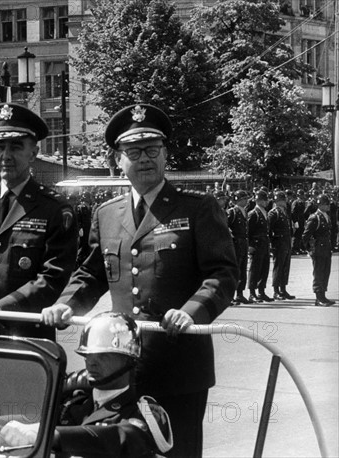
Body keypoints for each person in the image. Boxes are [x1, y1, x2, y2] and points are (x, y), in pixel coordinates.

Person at [41, 104, 238, 458]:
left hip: (179, 366)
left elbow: (222, 274)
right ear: (118, 159)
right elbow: (91, 273)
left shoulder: (197, 208)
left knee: (176, 452)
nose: (144, 158)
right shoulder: (107, 213)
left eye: (152, 150)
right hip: (123, 366)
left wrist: (192, 312)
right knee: (123, 449)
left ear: (165, 155)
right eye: (133, 151)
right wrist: (65, 305)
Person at [0, 312, 173, 458]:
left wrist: (54, 436)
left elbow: (119, 438)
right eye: (87, 355)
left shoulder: (145, 411)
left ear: (128, 359)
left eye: (102, 355)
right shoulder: (75, 400)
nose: (91, 362)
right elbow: (36, 422)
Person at [0, 103, 78, 340]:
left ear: (33, 153)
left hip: (26, 335)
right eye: (0, 147)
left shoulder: (54, 209)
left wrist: (4, 306)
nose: (6, 156)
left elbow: (54, 276)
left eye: (16, 147)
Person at [302, 194, 335, 306]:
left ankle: (323, 295)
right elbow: (305, 236)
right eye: (326, 204)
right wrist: (309, 250)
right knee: (319, 273)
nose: (328, 206)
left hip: (326, 248)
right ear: (320, 204)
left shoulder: (326, 216)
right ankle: (318, 298)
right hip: (318, 248)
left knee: (326, 272)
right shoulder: (314, 217)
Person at [268, 191, 295, 300]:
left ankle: (283, 289)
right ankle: (276, 291)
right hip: (278, 242)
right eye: (282, 200)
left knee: (285, 266)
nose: (285, 202)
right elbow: (269, 229)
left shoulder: (284, 212)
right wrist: (271, 242)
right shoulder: (273, 213)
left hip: (286, 242)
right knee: (278, 267)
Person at [247, 190, 272, 302]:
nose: (266, 202)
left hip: (264, 243)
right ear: (258, 200)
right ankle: (252, 293)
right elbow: (248, 231)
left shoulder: (265, 212)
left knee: (264, 268)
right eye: (264, 200)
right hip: (256, 244)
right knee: (254, 269)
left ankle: (261, 291)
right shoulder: (253, 213)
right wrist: (250, 245)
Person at [227, 189, 251, 304]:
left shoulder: (244, 211)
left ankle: (240, 293)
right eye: (244, 199)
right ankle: (230, 295)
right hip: (236, 243)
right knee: (235, 269)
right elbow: (225, 226)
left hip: (243, 242)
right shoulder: (233, 212)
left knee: (242, 268)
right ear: (238, 200)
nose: (246, 201)